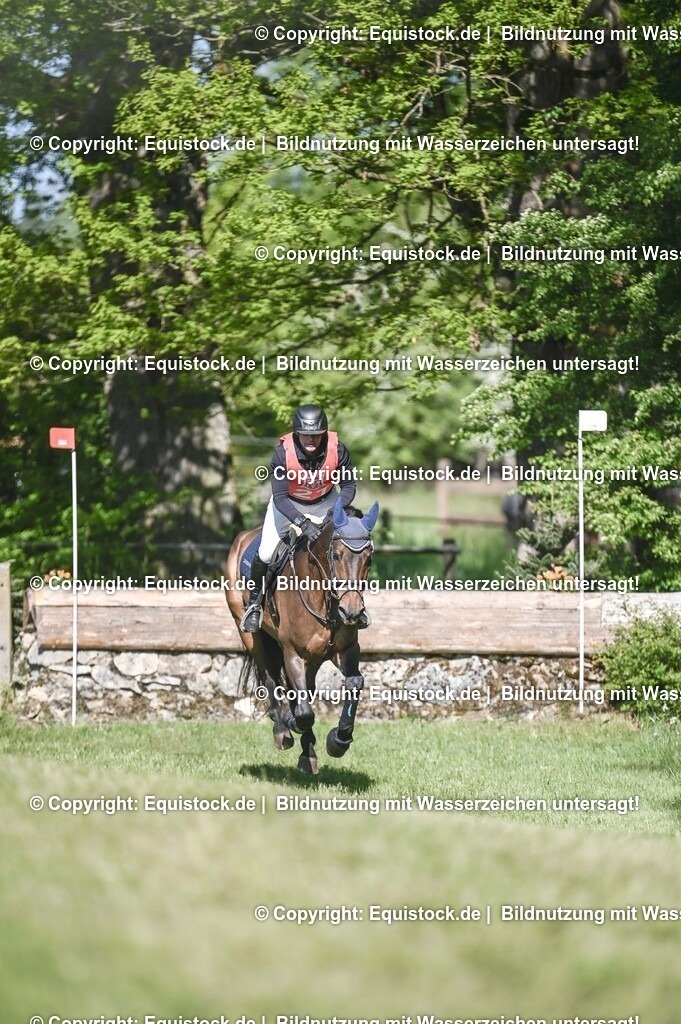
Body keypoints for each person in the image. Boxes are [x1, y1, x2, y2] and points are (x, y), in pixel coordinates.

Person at [240, 403, 361, 632]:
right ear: (297, 433)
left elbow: (349, 486)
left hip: (326, 500)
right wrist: (302, 523)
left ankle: (356, 606)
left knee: (349, 546)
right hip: (289, 504)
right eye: (306, 434)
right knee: (266, 553)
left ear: (324, 433)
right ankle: (254, 605)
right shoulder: (281, 454)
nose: (311, 439)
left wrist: (334, 511)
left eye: (316, 434)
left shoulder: (338, 449)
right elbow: (280, 497)